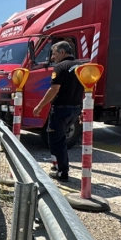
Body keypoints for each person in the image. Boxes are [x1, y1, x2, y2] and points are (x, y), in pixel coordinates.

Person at [32, 41, 83, 181]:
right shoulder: (81, 66)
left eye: (54, 54)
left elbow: (54, 89)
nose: (53, 58)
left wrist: (40, 105)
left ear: (62, 52)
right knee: (61, 140)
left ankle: (61, 172)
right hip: (75, 109)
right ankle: (58, 167)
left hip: (61, 109)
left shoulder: (60, 67)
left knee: (56, 140)